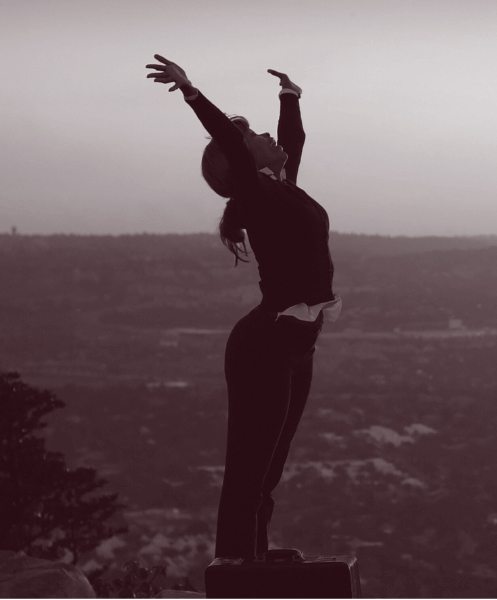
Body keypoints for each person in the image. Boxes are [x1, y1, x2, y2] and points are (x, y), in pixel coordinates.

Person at [146, 54, 341, 560]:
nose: (268, 138)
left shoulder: (281, 190)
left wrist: (290, 98)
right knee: (248, 472)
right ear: (245, 164)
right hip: (266, 346)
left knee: (269, 470)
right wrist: (191, 91)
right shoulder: (257, 194)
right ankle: (237, 574)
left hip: (299, 344)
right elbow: (231, 142)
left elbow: (290, 144)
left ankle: (255, 560)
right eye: (256, 138)